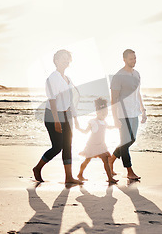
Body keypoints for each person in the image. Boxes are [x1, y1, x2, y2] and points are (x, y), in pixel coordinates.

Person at [32, 49, 83, 185]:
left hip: (66, 115)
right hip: (53, 115)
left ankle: (69, 177)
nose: (66, 61)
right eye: (62, 58)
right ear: (56, 61)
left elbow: (71, 101)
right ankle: (37, 168)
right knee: (57, 147)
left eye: (68, 58)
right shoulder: (53, 78)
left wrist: (76, 119)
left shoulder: (68, 79)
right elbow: (52, 100)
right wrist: (56, 120)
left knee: (68, 145)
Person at [108, 49, 147, 180]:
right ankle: (129, 171)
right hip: (122, 113)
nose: (134, 61)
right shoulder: (118, 76)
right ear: (124, 59)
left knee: (132, 139)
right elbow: (113, 99)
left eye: (135, 58)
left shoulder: (137, 74)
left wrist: (143, 110)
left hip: (134, 112)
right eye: (131, 59)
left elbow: (138, 93)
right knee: (125, 142)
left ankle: (111, 159)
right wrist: (115, 118)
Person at [76, 98, 118, 184]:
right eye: (102, 113)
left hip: (101, 145)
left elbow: (109, 127)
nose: (104, 115)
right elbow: (85, 132)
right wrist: (78, 128)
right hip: (92, 145)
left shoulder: (104, 122)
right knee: (87, 160)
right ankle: (80, 174)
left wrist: (115, 126)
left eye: (106, 113)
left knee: (105, 160)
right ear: (97, 112)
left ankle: (110, 178)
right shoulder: (92, 122)